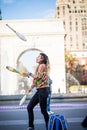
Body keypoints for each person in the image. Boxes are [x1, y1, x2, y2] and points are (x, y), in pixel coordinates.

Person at [23, 53, 50, 130]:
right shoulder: (40, 66)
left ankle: (48, 126)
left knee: (43, 111)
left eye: (39, 57)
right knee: (29, 107)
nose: (37, 57)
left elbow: (38, 77)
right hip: (40, 90)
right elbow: (38, 80)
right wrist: (31, 87)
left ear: (42, 59)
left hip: (43, 90)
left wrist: (29, 73)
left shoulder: (42, 65)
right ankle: (31, 126)